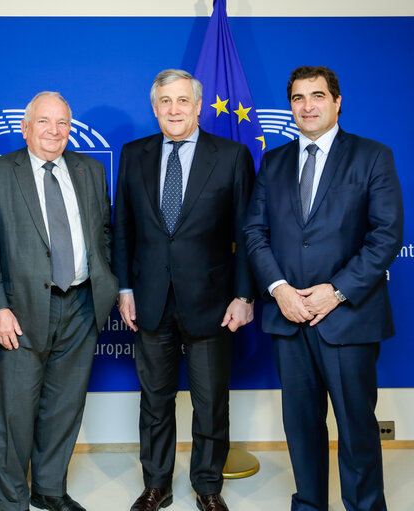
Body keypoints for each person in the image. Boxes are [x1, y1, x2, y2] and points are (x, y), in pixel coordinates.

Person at [244, 66, 403, 511]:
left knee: (356, 428)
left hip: (349, 316)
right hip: (289, 316)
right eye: (298, 98)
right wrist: (279, 290)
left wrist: (335, 291)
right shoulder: (273, 161)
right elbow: (255, 232)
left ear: (337, 102)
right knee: (301, 426)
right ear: (290, 105)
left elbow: (386, 236)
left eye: (317, 96)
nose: (307, 105)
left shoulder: (373, 156)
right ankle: (310, 504)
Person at [112, 69, 255, 511]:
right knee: (155, 402)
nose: (174, 109)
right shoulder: (134, 154)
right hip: (151, 300)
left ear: (197, 106)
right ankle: (156, 484)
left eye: (182, 101)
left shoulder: (232, 155)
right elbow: (122, 230)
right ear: (154, 108)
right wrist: (125, 288)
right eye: (164, 102)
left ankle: (208, 486)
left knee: (211, 403)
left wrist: (245, 295)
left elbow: (248, 232)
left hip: (213, 302)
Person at [0, 91, 118, 511]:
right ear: (25, 127)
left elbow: (104, 233)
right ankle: (12, 499)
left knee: (64, 405)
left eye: (62, 122)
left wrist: (107, 283)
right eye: (44, 121)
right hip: (19, 309)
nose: (54, 131)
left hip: (80, 304)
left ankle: (49, 488)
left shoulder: (90, 169)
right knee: (15, 412)